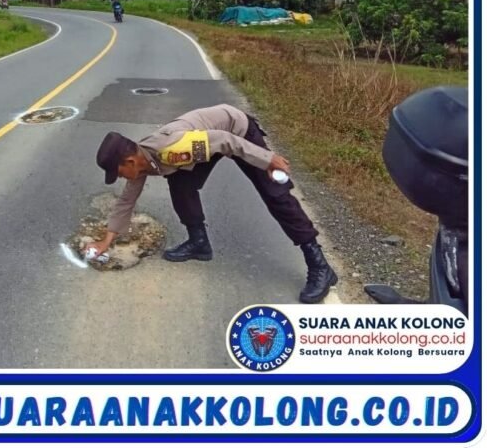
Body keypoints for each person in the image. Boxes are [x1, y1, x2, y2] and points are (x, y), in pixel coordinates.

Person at [87, 103, 337, 304]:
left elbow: (226, 141)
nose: (121, 178)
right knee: (181, 184)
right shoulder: (144, 159)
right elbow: (126, 200)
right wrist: (106, 241)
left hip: (236, 130)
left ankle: (319, 265)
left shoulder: (172, 149)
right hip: (205, 144)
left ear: (130, 161)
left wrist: (267, 158)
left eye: (118, 173)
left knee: (275, 193)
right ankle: (199, 243)